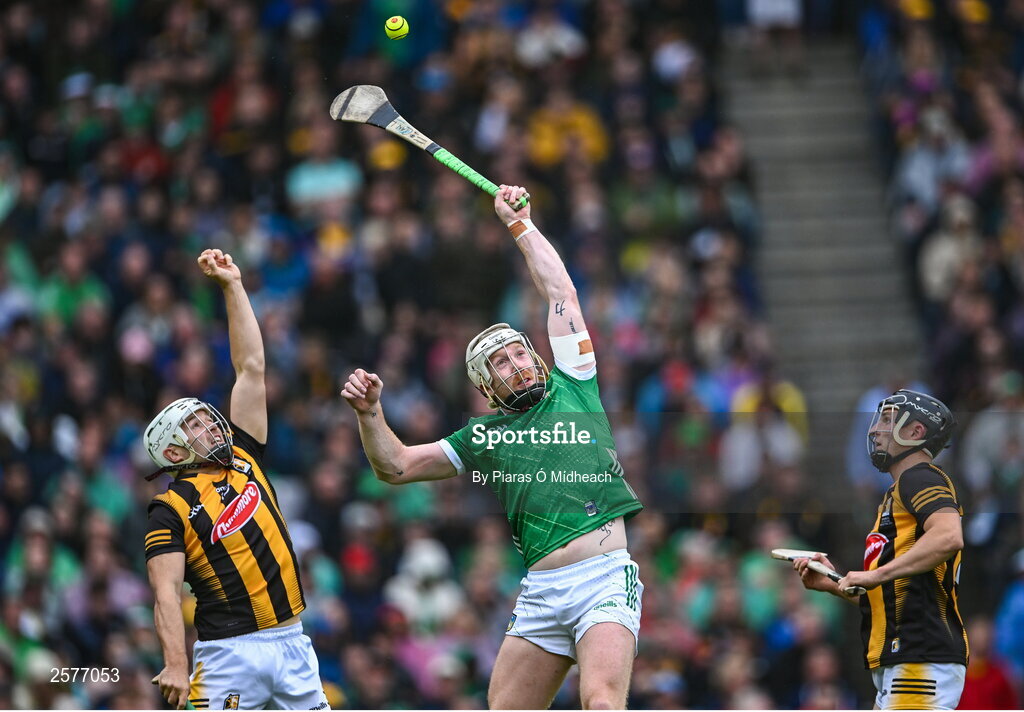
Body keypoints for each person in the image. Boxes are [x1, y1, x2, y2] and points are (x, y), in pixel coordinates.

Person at [341, 185, 644, 710]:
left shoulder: (575, 384)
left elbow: (560, 296)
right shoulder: (482, 437)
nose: (517, 364)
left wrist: (520, 226)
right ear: (485, 388)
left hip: (604, 577)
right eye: (500, 363)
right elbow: (396, 466)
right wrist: (370, 415)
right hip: (543, 592)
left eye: (520, 353)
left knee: (600, 702)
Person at [144, 249, 328, 710]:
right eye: (197, 428)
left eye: (210, 421)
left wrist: (233, 286)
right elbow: (165, 593)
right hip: (228, 654)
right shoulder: (169, 508)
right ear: (171, 453)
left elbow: (251, 367)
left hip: (294, 642)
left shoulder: (245, 455)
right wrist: (174, 663)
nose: (213, 428)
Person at [794, 389, 968, 710]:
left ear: (916, 432)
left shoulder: (920, 478)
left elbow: (948, 536)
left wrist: (878, 574)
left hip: (919, 658)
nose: (874, 429)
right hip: (905, 661)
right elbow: (891, 589)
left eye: (887, 420)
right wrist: (833, 583)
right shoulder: (895, 495)